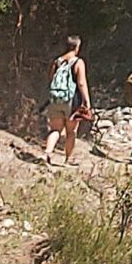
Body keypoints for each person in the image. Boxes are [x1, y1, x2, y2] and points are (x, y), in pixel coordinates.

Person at [45, 35, 90, 166]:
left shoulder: (57, 61)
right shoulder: (78, 62)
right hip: (72, 100)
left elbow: (51, 78)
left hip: (56, 99)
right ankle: (68, 159)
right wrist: (86, 101)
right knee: (71, 132)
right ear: (77, 47)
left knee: (55, 129)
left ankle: (48, 152)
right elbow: (81, 83)